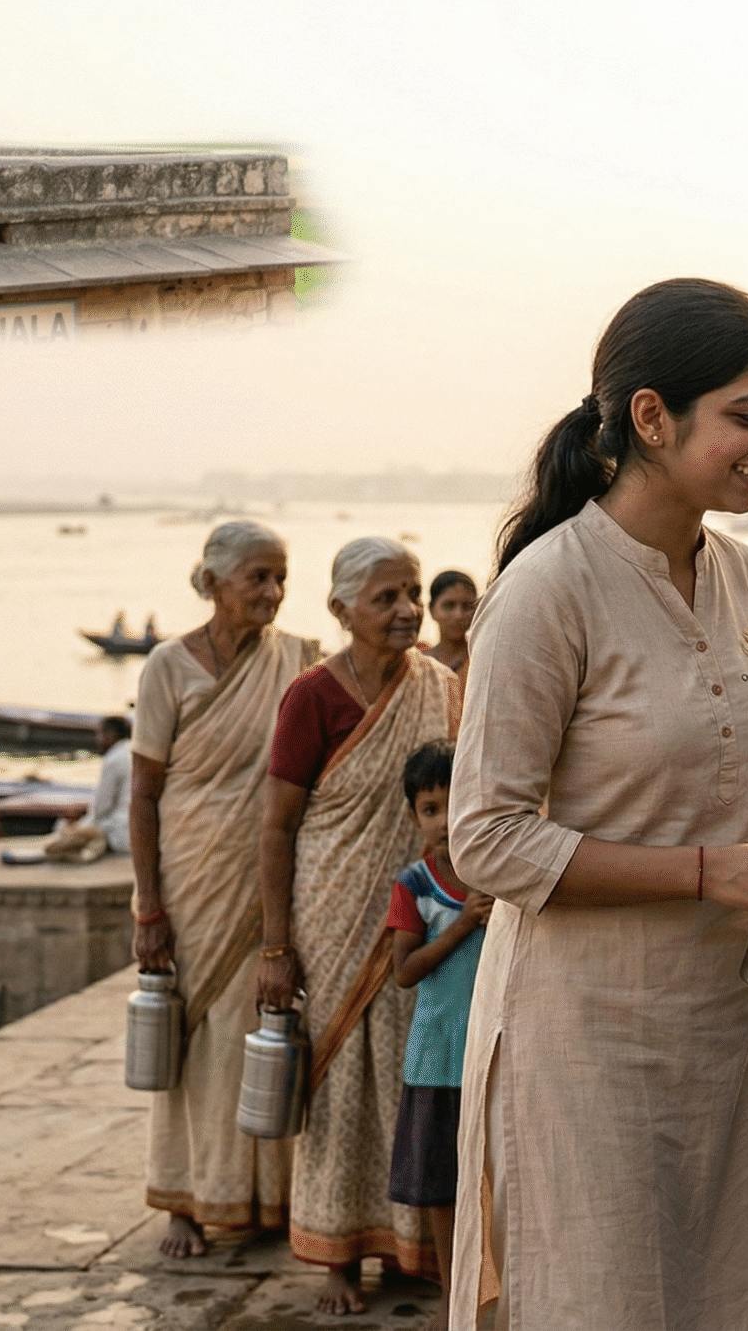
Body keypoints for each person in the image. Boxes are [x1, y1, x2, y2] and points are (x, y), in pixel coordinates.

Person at [449, 278, 748, 1330]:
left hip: (720, 1025)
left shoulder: (746, 580)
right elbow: (488, 841)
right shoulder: (547, 590)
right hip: (585, 1038)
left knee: (726, 1300)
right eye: (747, 415)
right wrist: (708, 869)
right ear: (650, 417)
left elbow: (741, 780)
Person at [255, 537, 462, 1313]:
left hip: (424, 912)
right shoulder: (311, 696)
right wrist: (275, 947)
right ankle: (337, 1251)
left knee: (413, 1078)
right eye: (387, 598)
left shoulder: (442, 688)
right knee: (340, 1080)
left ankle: (412, 1243)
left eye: (412, 593)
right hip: (332, 911)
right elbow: (276, 825)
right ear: (341, 610)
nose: (408, 609)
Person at [129, 519, 322, 1259]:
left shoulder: (299, 660)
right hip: (188, 878)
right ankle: (183, 1199)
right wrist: (149, 905)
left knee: (258, 1035)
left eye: (281, 578)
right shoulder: (166, 670)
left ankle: (266, 1198)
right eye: (258, 580)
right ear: (212, 583)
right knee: (187, 1045)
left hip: (267, 882)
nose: (273, 593)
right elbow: (142, 795)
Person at [383, 739, 489, 1331]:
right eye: (430, 808)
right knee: (443, 1190)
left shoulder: (494, 873)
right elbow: (404, 971)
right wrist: (462, 927)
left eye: (455, 804)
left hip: (490, 1052)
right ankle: (454, 1300)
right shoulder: (415, 885)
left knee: (493, 1178)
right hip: (438, 1055)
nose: (444, 821)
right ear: (414, 816)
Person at [10, 714, 135, 865]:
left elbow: (101, 808)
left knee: (62, 827)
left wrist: (77, 826)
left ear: (109, 735)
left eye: (100, 734)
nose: (98, 739)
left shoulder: (113, 760)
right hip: (133, 830)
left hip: (119, 835)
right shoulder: (134, 752)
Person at [422, 570, 477, 677]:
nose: (458, 615)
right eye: (449, 605)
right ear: (431, 610)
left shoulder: (480, 661)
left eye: (467, 606)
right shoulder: (417, 664)